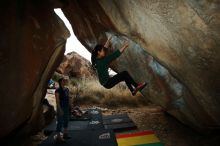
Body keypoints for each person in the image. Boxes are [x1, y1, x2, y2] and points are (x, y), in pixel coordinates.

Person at [55, 77, 71, 143]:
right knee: (60, 122)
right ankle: (58, 137)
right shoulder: (57, 90)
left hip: (66, 107)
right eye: (64, 81)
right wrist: (60, 109)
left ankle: (65, 134)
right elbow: (57, 101)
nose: (65, 81)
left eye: (65, 81)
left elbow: (68, 98)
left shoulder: (67, 89)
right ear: (61, 82)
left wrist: (71, 105)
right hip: (61, 108)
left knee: (66, 120)